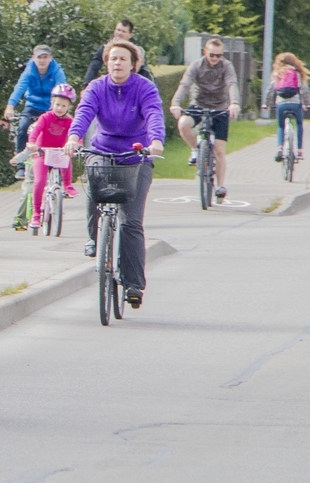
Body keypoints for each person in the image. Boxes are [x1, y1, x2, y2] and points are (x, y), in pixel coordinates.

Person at [66, 39, 164, 306]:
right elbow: (84, 112)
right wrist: (74, 137)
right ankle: (92, 239)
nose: (117, 63)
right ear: (106, 63)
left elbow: (154, 113)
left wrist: (155, 141)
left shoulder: (144, 88)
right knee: (94, 188)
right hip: (103, 149)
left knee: (130, 221)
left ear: (133, 64)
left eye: (123, 59)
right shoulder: (97, 87)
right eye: (113, 59)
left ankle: (133, 284)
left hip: (136, 154)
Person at [170, 36, 241, 202]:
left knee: (219, 150)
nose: (215, 58)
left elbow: (232, 84)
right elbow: (185, 84)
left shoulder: (226, 66)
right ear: (205, 52)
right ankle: (196, 150)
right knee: (183, 124)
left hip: (220, 107)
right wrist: (175, 103)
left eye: (219, 55)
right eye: (212, 55)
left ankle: (220, 186)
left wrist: (234, 103)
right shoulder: (196, 65)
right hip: (199, 104)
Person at [3, 44, 68, 178]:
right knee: (22, 127)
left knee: (56, 131)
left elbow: (62, 90)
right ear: (33, 58)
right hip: (33, 106)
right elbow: (19, 88)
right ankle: (21, 166)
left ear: (50, 58)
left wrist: (56, 108)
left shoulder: (57, 71)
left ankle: (58, 167)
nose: (42, 60)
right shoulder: (29, 71)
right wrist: (10, 106)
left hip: (50, 107)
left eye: (45, 57)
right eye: (39, 57)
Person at [23, 84, 78, 230]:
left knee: (67, 157)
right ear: (52, 103)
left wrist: (76, 144)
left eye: (63, 106)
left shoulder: (69, 121)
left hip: (59, 151)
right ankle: (36, 213)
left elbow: (76, 134)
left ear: (68, 107)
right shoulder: (45, 118)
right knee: (40, 181)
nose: (60, 108)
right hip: (42, 152)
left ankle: (67, 185)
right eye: (57, 104)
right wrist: (32, 143)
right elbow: (36, 131)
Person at [264, 52, 310, 161]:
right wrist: (306, 104)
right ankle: (299, 150)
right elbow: (304, 90)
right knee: (299, 124)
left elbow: (270, 91)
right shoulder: (297, 74)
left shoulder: (278, 74)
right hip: (295, 105)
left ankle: (280, 148)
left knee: (281, 126)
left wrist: (266, 104)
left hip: (281, 106)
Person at [84, 18, 154, 83]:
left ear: (130, 35)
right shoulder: (106, 47)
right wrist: (87, 85)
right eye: (118, 30)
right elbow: (94, 65)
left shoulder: (137, 50)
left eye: (123, 31)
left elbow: (139, 70)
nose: (119, 33)